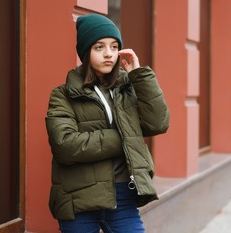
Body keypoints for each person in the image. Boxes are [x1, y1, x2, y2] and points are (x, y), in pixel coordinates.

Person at [45, 13, 170, 233]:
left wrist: (140, 76)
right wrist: (125, 136)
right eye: (99, 47)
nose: (108, 54)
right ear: (86, 52)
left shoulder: (127, 88)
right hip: (78, 199)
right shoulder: (62, 95)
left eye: (114, 47)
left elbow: (158, 124)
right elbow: (65, 145)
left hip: (123, 197)